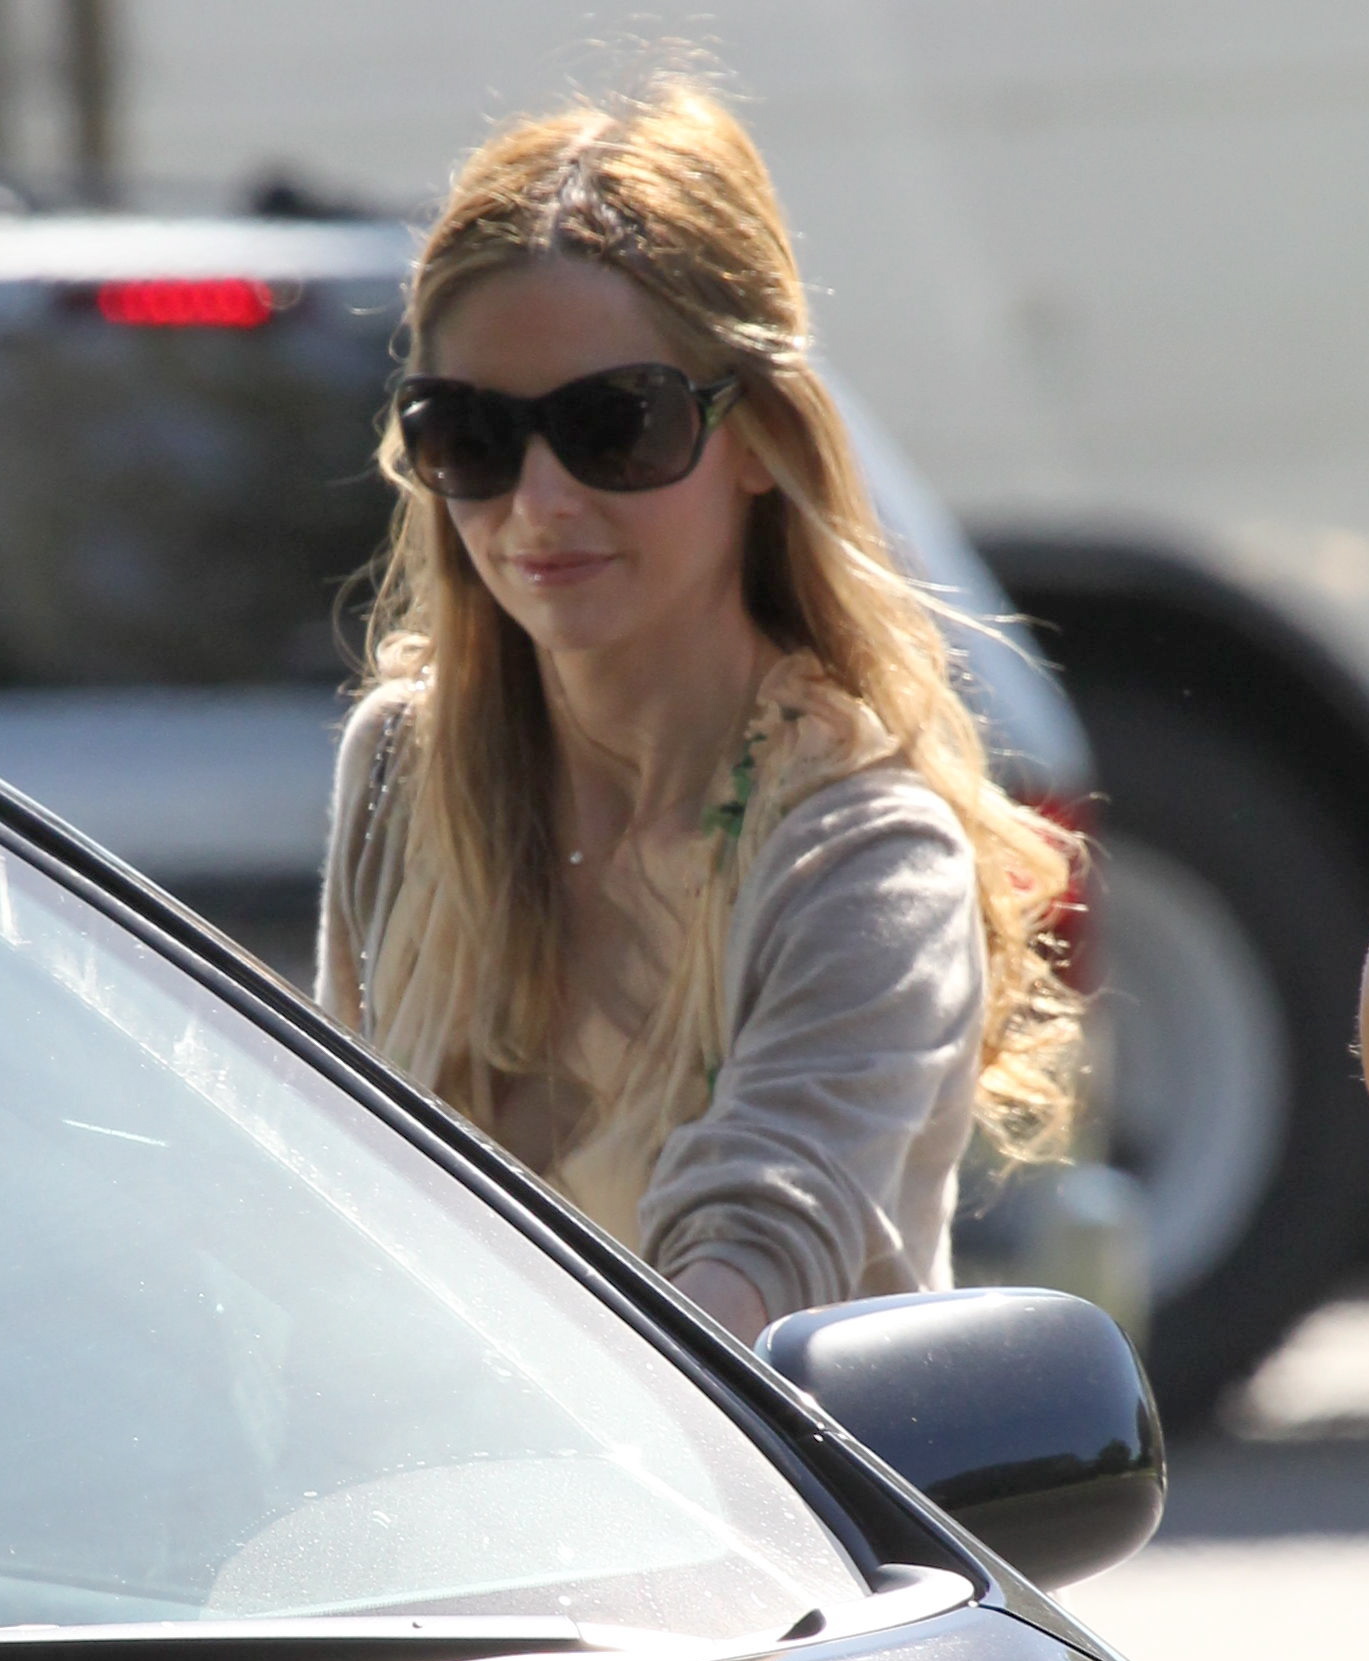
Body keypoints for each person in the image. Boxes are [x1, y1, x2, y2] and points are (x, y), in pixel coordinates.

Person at [316, 76, 1081, 1343]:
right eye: (473, 436)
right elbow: (339, 1210)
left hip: (734, 1470)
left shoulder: (862, 851)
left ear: (759, 438)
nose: (538, 503)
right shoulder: (401, 762)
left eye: (614, 424)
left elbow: (753, 1257)